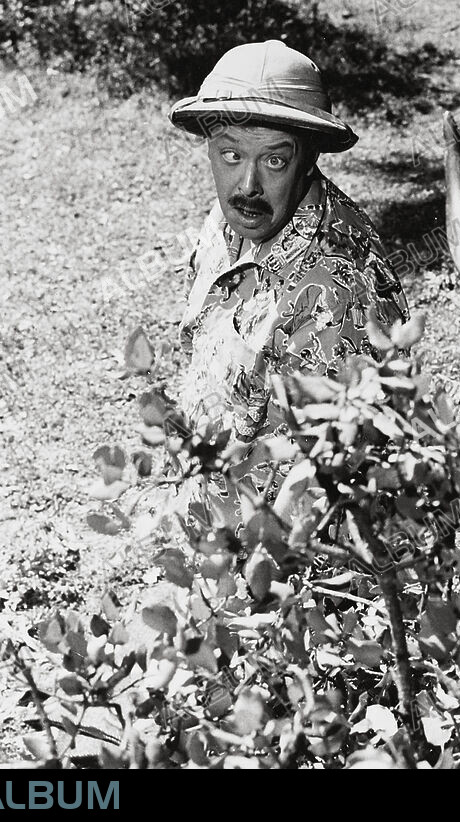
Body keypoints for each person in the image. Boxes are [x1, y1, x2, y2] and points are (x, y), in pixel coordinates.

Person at [166, 40, 409, 530]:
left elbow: (335, 486)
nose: (247, 185)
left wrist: (257, 580)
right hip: (215, 519)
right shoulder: (227, 221)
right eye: (230, 154)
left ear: (308, 158)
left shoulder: (339, 289)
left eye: (274, 161)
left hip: (292, 566)